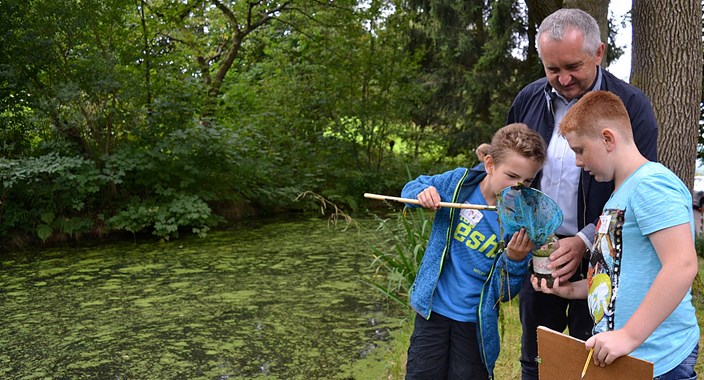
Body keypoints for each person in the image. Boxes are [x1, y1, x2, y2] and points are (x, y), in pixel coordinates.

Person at [505, 8, 659, 379]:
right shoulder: (528, 99)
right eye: (551, 69)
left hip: (602, 252)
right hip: (540, 249)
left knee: (595, 359)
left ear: (599, 53)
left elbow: (636, 187)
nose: (562, 78)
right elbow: (507, 164)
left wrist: (584, 239)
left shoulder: (630, 106)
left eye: (572, 66)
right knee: (537, 356)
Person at [532, 90, 699, 379]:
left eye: (580, 150)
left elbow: (682, 265)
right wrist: (571, 290)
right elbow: (614, 274)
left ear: (608, 138)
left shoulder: (651, 184)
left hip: (657, 360)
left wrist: (629, 336)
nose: (578, 162)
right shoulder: (617, 197)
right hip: (624, 358)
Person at [401, 123, 547, 379]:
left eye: (527, 181)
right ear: (489, 164)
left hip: (475, 324)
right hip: (432, 314)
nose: (518, 188)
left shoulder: (521, 221)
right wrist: (423, 193)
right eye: (511, 176)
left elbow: (505, 293)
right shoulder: (458, 184)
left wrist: (514, 261)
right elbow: (410, 189)